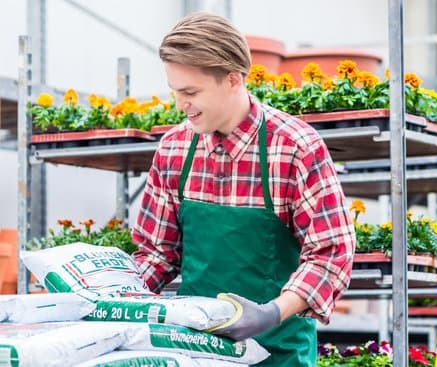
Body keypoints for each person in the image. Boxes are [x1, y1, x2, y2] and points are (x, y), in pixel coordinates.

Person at [132, 12, 356, 366]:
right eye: (175, 92)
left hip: (278, 353)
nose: (180, 105)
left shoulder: (294, 147)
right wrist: (111, 296)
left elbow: (331, 253)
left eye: (191, 92)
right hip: (196, 352)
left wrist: (269, 313)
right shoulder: (173, 148)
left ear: (233, 80)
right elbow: (158, 253)